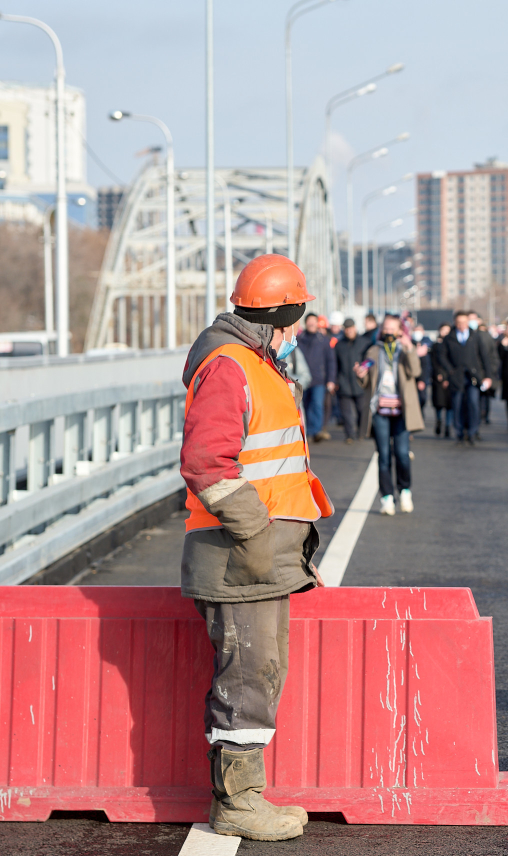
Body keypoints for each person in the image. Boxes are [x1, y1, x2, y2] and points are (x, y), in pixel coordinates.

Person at [179, 254, 331, 842]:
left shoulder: (255, 363)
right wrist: (256, 528)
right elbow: (206, 463)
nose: (297, 334)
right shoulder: (230, 367)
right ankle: (237, 803)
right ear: (275, 320)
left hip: (257, 561)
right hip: (238, 556)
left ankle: (248, 794)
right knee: (246, 680)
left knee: (259, 675)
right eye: (293, 322)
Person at [355, 315, 422, 515]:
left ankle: (405, 490)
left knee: (402, 454)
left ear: (401, 331)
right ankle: (386, 498)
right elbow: (367, 381)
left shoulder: (405, 350)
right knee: (383, 455)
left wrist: (410, 348)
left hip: (402, 411)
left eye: (393, 328)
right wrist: (360, 375)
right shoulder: (374, 351)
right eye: (386, 328)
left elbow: (415, 371)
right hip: (380, 410)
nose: (389, 332)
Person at [439, 310, 492, 445]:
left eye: (464, 322)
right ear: (455, 323)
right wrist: (450, 371)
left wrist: (488, 376)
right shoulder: (449, 338)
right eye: (459, 323)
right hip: (457, 377)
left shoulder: (476, 337)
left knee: (473, 403)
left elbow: (484, 357)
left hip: (473, 377)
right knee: (457, 404)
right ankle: (459, 431)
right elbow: (442, 356)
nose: (462, 325)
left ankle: (473, 431)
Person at [295, 313, 336, 442]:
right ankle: (306, 430)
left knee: (317, 404)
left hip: (319, 379)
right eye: (310, 321)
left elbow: (331, 361)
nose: (312, 324)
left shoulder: (323, 340)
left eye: (314, 321)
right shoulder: (299, 339)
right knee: (304, 405)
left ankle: (317, 430)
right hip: (301, 380)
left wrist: (331, 379)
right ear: (306, 323)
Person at [333, 318, 365, 444]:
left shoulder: (364, 343)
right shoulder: (339, 345)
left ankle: (361, 432)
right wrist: (335, 380)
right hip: (344, 382)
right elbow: (335, 364)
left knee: (362, 410)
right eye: (346, 329)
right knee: (346, 413)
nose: (349, 331)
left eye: (351, 328)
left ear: (355, 328)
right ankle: (349, 434)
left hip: (360, 383)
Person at [429, 323, 454, 437]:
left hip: (450, 377)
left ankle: (448, 426)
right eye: (443, 330)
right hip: (437, 378)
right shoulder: (435, 346)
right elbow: (433, 361)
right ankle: (439, 421)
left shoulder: (453, 345)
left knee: (450, 404)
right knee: (439, 403)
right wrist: (438, 373)